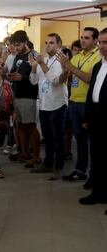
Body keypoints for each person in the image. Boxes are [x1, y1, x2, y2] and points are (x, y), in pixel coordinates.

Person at [56, 27, 101, 185]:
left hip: (88, 104)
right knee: (80, 139)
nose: (82, 40)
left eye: (87, 38)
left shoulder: (98, 56)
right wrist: (63, 69)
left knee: (93, 142)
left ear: (96, 41)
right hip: (74, 101)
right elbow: (67, 78)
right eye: (82, 37)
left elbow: (88, 78)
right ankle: (80, 170)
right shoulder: (78, 55)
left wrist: (69, 66)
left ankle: (94, 175)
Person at [29, 33, 67, 180]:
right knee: (47, 137)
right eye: (46, 42)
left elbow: (56, 81)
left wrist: (41, 64)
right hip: (44, 104)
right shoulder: (43, 60)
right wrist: (33, 67)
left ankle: (59, 167)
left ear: (59, 45)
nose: (47, 45)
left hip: (57, 104)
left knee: (58, 138)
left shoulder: (62, 61)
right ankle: (48, 163)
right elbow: (33, 81)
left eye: (51, 42)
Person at [79, 27, 107, 205]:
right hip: (96, 117)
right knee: (97, 156)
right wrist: (87, 118)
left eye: (105, 42)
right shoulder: (98, 65)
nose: (101, 46)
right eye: (100, 42)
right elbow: (91, 93)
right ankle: (98, 193)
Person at [8, 30, 41, 168]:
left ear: (25, 42)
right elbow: (17, 72)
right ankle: (24, 152)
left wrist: (23, 78)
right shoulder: (18, 56)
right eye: (14, 45)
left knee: (31, 127)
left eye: (18, 44)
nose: (16, 47)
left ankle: (36, 156)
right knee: (20, 126)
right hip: (18, 94)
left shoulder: (34, 55)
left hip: (29, 95)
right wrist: (11, 75)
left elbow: (39, 77)